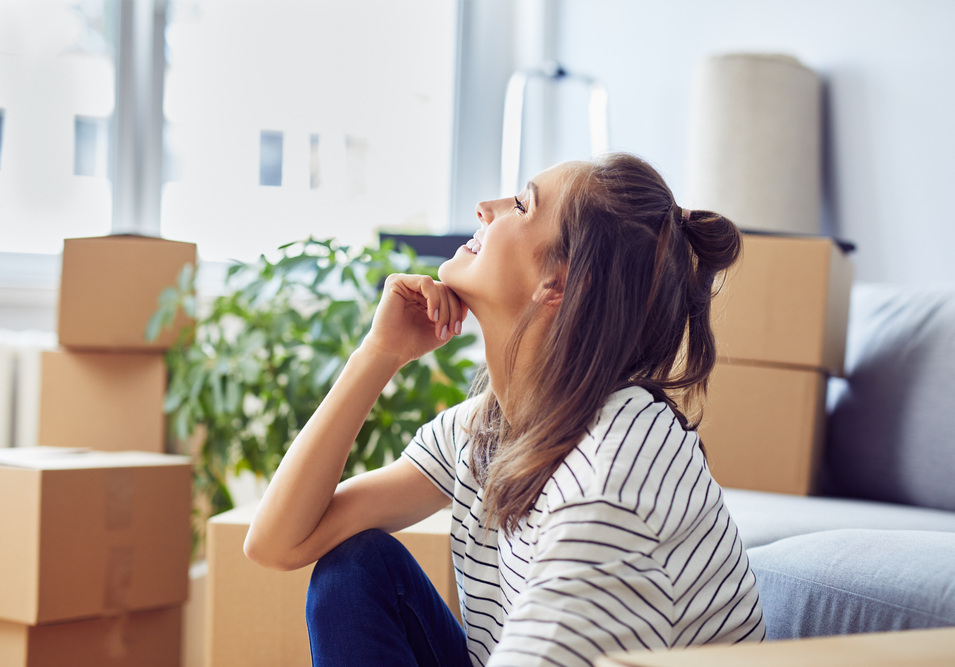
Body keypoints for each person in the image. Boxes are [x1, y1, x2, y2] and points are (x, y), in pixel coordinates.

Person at [244, 153, 766, 666]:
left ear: (559, 283)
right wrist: (379, 354)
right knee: (356, 565)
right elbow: (277, 543)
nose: (484, 208)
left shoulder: (616, 474)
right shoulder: (488, 426)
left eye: (520, 205)